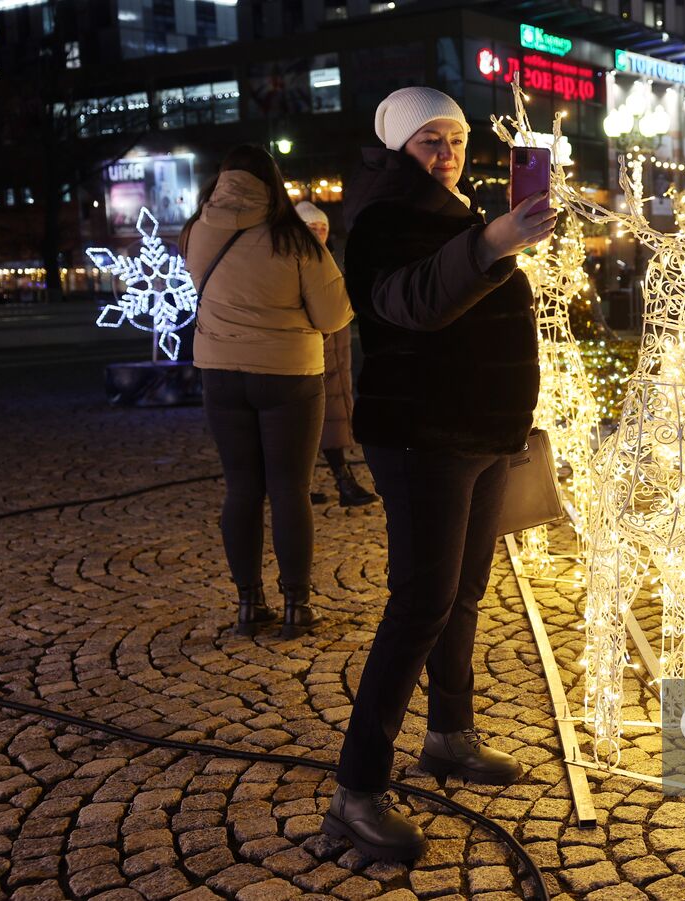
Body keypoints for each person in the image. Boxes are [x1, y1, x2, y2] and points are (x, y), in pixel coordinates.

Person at [319, 87, 555, 863]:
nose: (446, 151)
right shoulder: (383, 220)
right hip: (423, 436)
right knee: (419, 603)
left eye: (453, 137)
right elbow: (409, 304)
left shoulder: (458, 210)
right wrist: (490, 244)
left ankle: (450, 736)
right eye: (428, 139)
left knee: (462, 594)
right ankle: (357, 788)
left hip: (484, 435)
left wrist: (499, 239)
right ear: (396, 148)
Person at [181, 145, 353, 638]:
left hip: (220, 372)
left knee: (241, 488)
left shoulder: (195, 231)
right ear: (273, 182)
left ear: (223, 179)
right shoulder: (293, 238)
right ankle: (297, 604)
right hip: (288, 376)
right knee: (289, 489)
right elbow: (333, 315)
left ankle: (248, 603)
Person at [294, 200, 377, 507]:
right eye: (310, 228)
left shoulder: (328, 259)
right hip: (314, 354)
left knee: (321, 425)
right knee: (314, 426)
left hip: (333, 356)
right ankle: (341, 483)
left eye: (322, 228)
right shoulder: (302, 261)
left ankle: (306, 488)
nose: (318, 233)